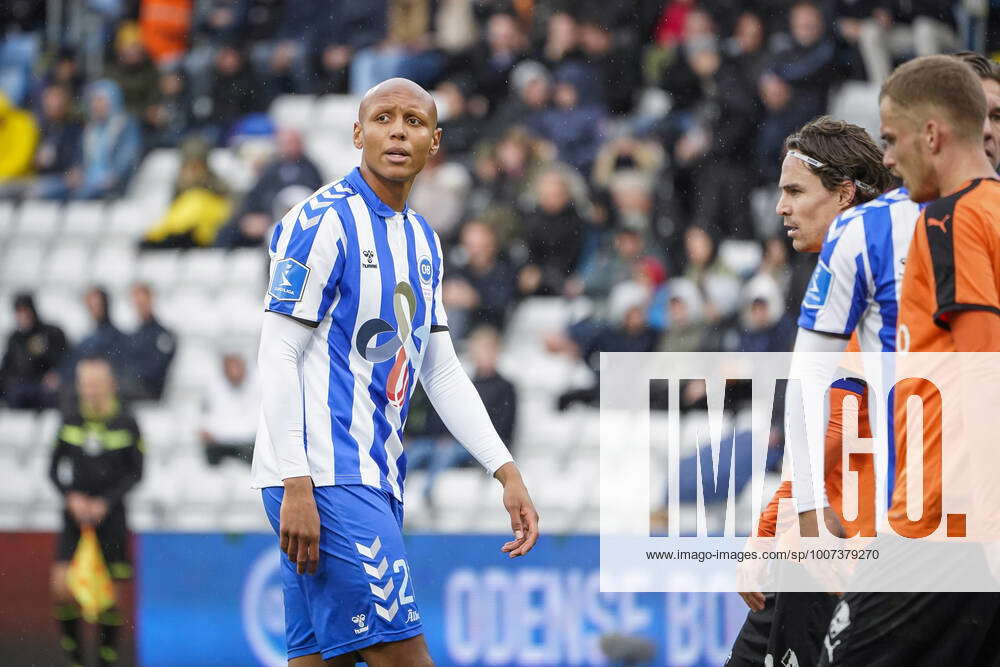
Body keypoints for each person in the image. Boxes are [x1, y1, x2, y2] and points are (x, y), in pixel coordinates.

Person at [252, 78, 539, 666]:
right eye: (383, 118)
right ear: (358, 133)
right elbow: (277, 353)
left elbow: (440, 370)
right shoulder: (321, 222)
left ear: (435, 142)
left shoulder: (424, 241)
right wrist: (296, 483)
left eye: (413, 120)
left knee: (321, 661)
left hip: (374, 476)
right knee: (405, 658)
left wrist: (504, 469)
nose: (398, 130)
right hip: (326, 477)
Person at [820, 54, 1000, 666]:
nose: (888, 160)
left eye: (892, 140)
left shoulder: (950, 220)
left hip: (943, 519)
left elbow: (981, 373)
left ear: (932, 134)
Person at [727, 115, 899, 667]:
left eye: (796, 191)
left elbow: (830, 432)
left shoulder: (862, 288)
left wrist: (767, 535)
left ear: (844, 194)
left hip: (838, 547)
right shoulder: (851, 275)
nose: (781, 208)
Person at [49, 357, 143, 667]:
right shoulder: (70, 419)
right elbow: (52, 469)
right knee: (61, 586)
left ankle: (106, 658)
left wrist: (106, 501)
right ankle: (74, 655)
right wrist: (71, 497)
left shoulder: (127, 422)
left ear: (109, 384)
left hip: (111, 516)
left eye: (94, 383)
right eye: (83, 384)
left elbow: (136, 472)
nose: (88, 390)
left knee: (110, 597)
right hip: (75, 516)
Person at [0, 293, 68, 409]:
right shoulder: (15, 339)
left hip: (44, 389)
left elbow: (66, 358)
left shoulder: (50, 333)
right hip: (19, 390)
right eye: (19, 312)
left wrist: (58, 373)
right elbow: (7, 367)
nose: (23, 316)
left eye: (26, 311)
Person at [200, 352, 259, 465]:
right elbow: (205, 418)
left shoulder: (258, 383)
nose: (234, 372)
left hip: (248, 444)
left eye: (237, 367)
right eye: (230, 367)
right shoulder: (213, 386)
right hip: (221, 444)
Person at [124, 283, 176, 400]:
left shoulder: (163, 335)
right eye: (137, 304)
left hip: (149, 389)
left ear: (151, 301)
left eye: (143, 303)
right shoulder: (134, 335)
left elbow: (156, 369)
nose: (140, 307)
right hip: (132, 386)